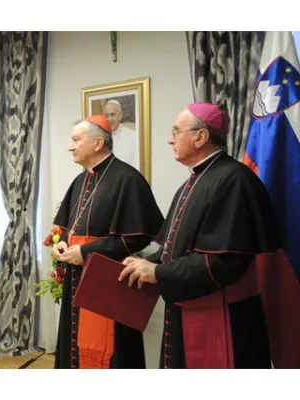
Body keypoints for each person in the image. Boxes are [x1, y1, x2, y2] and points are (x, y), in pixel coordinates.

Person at [119, 102, 279, 368]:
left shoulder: (234, 180)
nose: (170, 138)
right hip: (186, 309)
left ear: (200, 136)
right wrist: (146, 264)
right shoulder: (192, 181)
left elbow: (223, 261)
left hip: (221, 317)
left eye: (176, 131)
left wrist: (157, 272)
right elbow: (173, 247)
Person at [52, 115, 164, 369]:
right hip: (77, 277)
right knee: (74, 342)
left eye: (76, 140)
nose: (70, 146)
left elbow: (138, 237)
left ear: (98, 142)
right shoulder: (80, 180)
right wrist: (61, 242)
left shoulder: (127, 178)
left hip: (108, 281)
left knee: (112, 351)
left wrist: (88, 251)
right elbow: (66, 227)